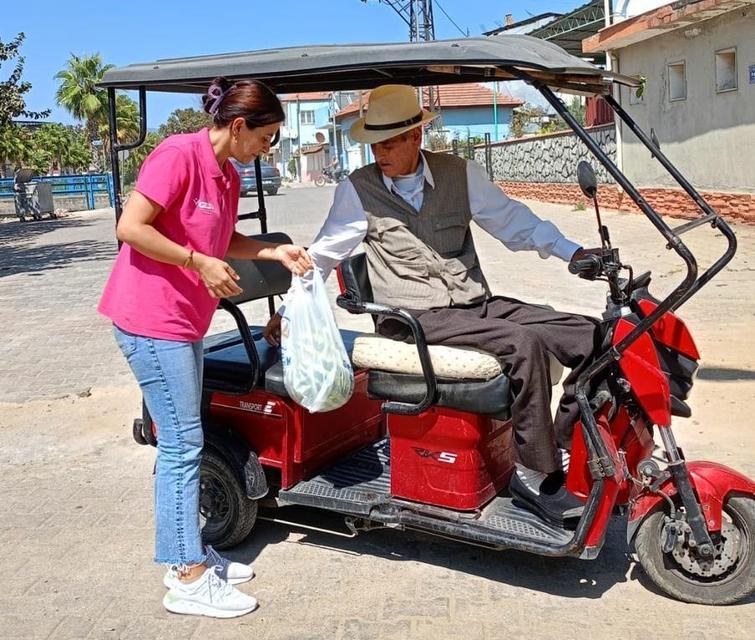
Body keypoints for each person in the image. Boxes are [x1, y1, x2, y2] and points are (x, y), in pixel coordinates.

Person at [265, 84, 599, 526]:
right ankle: (534, 473)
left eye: (387, 143)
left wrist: (572, 252)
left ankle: (564, 443)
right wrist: (288, 311)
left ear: (415, 138)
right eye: (373, 144)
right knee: (522, 343)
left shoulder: (459, 174)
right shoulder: (358, 191)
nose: (378, 154)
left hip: (472, 305)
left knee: (590, 333)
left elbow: (516, 223)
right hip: (413, 320)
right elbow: (323, 256)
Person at [98, 76, 312, 618]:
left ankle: (190, 552)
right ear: (238, 126)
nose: (270, 148)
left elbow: (223, 241)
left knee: (185, 439)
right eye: (266, 138)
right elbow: (131, 227)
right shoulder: (178, 155)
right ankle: (186, 575)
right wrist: (195, 262)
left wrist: (273, 253)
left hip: (184, 323)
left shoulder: (227, 173)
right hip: (150, 320)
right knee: (182, 443)